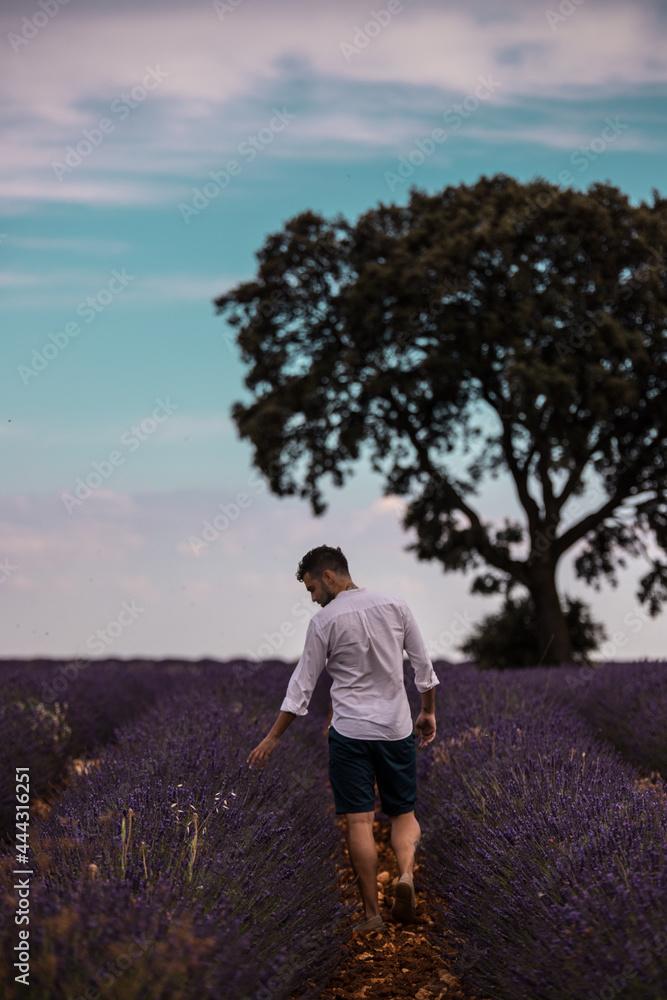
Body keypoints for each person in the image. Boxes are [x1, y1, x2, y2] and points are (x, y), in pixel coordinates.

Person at [247, 544, 439, 934]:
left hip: (350, 733)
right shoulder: (395, 604)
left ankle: (371, 915)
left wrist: (272, 738)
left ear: (329, 577)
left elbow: (301, 687)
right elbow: (423, 667)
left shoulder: (324, 622)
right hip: (396, 729)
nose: (314, 598)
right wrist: (428, 711)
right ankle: (404, 875)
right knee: (404, 814)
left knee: (360, 821)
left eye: (313, 589)